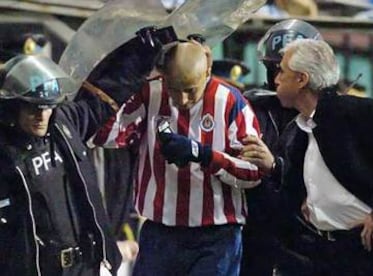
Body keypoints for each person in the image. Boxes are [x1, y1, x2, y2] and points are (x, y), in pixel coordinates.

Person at [241, 38, 373, 275]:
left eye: (282, 70)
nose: (276, 78)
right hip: (326, 253)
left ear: (302, 79)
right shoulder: (302, 129)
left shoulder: (361, 112)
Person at [94, 41, 262, 275]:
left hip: (216, 236)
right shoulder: (150, 93)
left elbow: (254, 172)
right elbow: (103, 136)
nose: (182, 99)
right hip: (160, 232)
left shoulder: (231, 103)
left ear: (207, 73)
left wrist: (204, 155)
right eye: (174, 88)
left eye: (190, 89)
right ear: (163, 77)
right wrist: (125, 78)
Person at [0, 54, 122, 275]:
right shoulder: (5, 153)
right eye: (33, 108)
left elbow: (108, 95)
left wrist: (147, 51)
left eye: (47, 107)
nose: (41, 116)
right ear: (14, 106)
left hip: (85, 266)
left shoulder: (64, 125)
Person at [241, 19, 322, 276]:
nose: (278, 79)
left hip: (306, 235)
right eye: (273, 70)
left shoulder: (328, 116)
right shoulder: (248, 107)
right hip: (252, 232)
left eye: (285, 71)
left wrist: (275, 166)